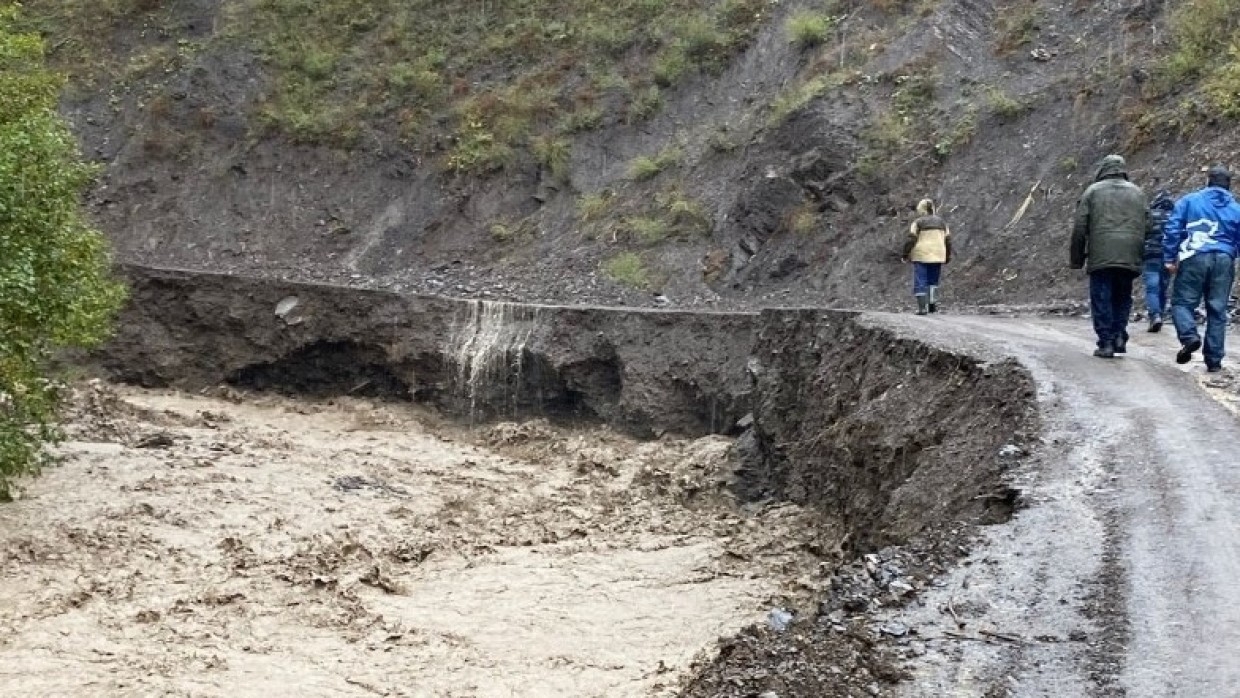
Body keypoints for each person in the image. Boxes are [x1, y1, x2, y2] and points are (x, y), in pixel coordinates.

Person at [1163, 165, 1240, 372]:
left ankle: (1189, 337)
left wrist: (1170, 257)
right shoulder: (1235, 208)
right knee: (1218, 310)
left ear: (1208, 181)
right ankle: (1214, 360)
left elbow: (1173, 228)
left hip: (1194, 256)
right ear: (1228, 185)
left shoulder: (1189, 201)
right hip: (1224, 258)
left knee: (1182, 303)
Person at [1069, 154, 1147, 358]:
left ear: (1103, 169)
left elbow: (1080, 227)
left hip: (1102, 254)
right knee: (1122, 296)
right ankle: (1119, 334)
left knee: (1101, 297)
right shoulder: (1137, 193)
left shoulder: (1093, 192)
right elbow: (1149, 225)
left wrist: (1076, 258)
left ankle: (1106, 342)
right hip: (1130, 253)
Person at [901, 198, 952, 315]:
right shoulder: (942, 223)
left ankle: (922, 308)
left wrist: (905, 253)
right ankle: (932, 306)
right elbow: (948, 241)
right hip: (938, 254)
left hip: (921, 254)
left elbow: (911, 239)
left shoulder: (918, 222)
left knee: (920, 280)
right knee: (933, 280)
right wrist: (947, 255)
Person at [1143, 190, 1175, 332]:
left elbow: (1141, 234)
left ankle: (1155, 315)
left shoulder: (1149, 216)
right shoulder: (1175, 217)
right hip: (1168, 256)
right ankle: (1160, 314)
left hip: (1151, 255)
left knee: (1152, 287)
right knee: (1163, 287)